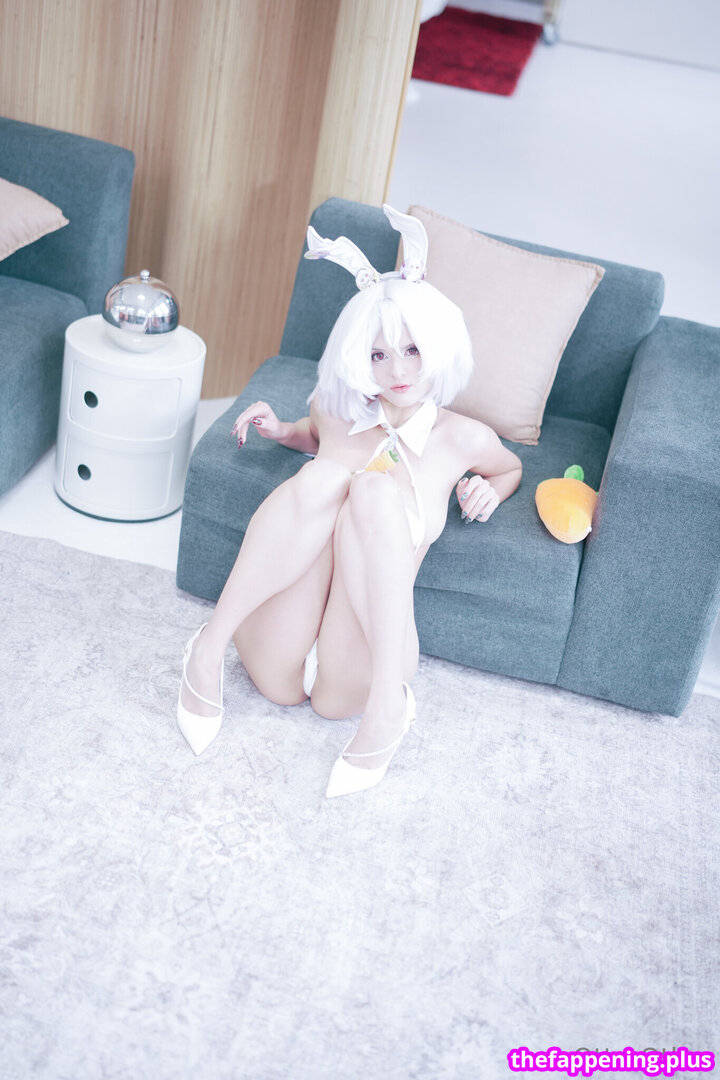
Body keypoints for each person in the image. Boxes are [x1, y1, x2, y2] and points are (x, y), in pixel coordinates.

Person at [177, 205, 522, 797]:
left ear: (437, 347)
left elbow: (510, 466)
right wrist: (282, 431)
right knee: (325, 479)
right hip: (278, 654)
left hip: (361, 665)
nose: (397, 370)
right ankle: (206, 650)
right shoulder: (334, 412)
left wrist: (492, 486)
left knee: (372, 491)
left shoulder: (461, 439)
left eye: (412, 350)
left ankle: (388, 707)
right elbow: (313, 438)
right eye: (379, 355)